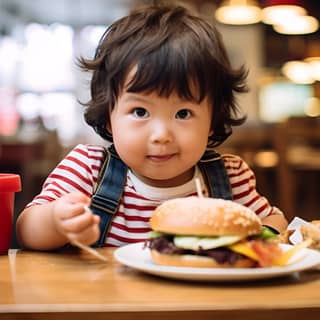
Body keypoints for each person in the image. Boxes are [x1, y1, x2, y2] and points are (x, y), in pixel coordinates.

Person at [16, 2, 288, 251]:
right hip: (106, 300)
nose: (161, 135)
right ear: (109, 115)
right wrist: (56, 221)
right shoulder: (88, 169)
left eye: (183, 113)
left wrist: (258, 238)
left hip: (204, 301)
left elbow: (276, 221)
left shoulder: (228, 177)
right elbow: (27, 229)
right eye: (140, 111)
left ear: (213, 120)